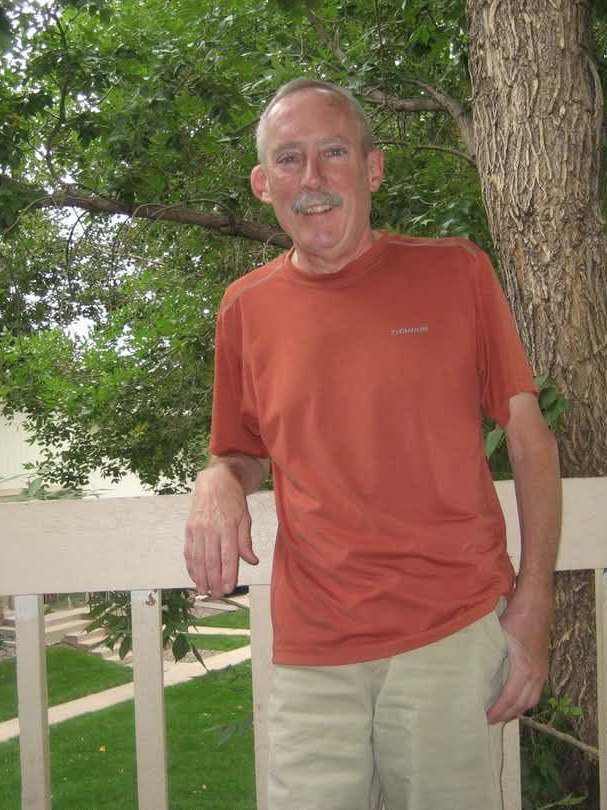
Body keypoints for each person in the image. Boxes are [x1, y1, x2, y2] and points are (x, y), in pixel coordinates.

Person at [184, 78, 562, 810]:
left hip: (450, 633)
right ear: (264, 184)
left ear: (373, 168)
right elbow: (240, 451)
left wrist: (536, 603)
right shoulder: (245, 309)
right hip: (313, 650)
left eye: (333, 152)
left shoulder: (456, 271)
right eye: (289, 159)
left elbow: (531, 442)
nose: (312, 178)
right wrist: (217, 481)